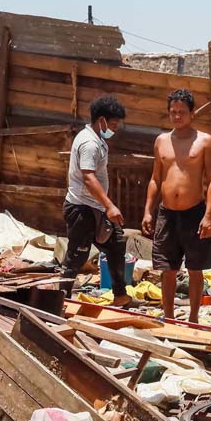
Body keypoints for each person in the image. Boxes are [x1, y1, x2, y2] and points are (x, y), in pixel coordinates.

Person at [142, 89, 211, 323]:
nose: (177, 116)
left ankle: (193, 318)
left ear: (192, 113)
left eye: (182, 112)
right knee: (168, 269)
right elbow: (156, 178)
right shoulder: (161, 141)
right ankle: (169, 317)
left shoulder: (205, 141)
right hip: (167, 214)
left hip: (194, 212)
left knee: (195, 268)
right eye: (173, 112)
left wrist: (209, 216)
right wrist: (148, 210)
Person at [60, 95, 131, 307]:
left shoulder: (98, 140)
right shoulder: (89, 143)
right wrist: (110, 205)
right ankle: (60, 300)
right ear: (101, 120)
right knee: (76, 257)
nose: (115, 129)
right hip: (82, 209)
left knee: (116, 245)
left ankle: (120, 295)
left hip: (96, 209)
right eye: (113, 124)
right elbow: (88, 177)